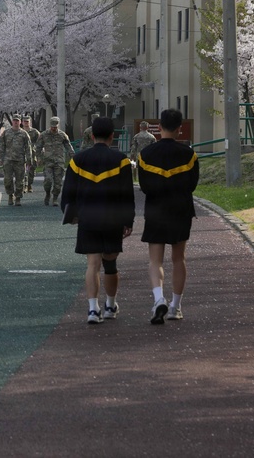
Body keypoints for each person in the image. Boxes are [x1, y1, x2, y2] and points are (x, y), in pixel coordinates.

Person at [61, 117, 134, 324]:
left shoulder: (78, 161)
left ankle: (93, 309)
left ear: (92, 136)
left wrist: (71, 215)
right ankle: (110, 305)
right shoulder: (121, 160)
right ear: (113, 136)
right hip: (112, 218)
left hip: (88, 217)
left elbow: (68, 194)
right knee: (110, 262)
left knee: (92, 264)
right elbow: (127, 194)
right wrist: (128, 221)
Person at [137, 108, 199, 324]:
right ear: (180, 129)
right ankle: (175, 306)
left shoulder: (145, 155)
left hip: (156, 209)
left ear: (159, 127)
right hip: (181, 209)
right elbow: (192, 184)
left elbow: (144, 186)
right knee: (178, 258)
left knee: (155, 260)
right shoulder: (189, 154)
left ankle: (158, 298)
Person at [34, 116, 74, 206]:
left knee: (58, 182)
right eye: (52, 127)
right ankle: (48, 193)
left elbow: (68, 146)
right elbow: (38, 147)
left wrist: (72, 157)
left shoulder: (62, 135)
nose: (53, 128)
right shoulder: (44, 135)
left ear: (58, 126)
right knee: (48, 181)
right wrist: (38, 158)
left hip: (59, 161)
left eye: (55, 127)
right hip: (48, 161)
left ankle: (55, 198)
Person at [0, 114, 33, 206]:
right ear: (12, 122)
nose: (16, 122)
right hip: (8, 160)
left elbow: (28, 148)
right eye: (14, 120)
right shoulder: (6, 133)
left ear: (20, 122)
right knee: (8, 180)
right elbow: (1, 146)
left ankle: (18, 198)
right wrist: (0, 158)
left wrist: (29, 160)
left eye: (17, 121)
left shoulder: (24, 134)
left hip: (20, 160)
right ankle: (10, 195)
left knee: (20, 181)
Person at [21, 116, 40, 193]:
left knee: (31, 171)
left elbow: (40, 142)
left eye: (27, 121)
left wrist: (38, 152)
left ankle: (29, 185)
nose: (26, 123)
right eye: (25, 122)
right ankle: (25, 185)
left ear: (30, 122)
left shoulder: (35, 132)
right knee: (23, 170)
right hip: (22, 153)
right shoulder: (20, 131)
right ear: (22, 122)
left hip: (32, 153)